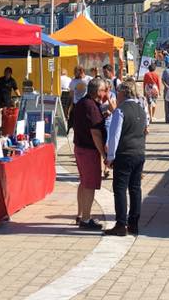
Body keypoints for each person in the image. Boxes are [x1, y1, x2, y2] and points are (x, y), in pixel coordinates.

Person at [103, 79, 148, 236]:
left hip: (125, 153)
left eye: (118, 93)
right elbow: (144, 130)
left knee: (120, 189)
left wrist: (110, 157)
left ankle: (121, 224)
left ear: (122, 93)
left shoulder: (120, 111)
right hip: (139, 152)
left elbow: (114, 136)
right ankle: (134, 223)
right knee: (135, 189)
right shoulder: (141, 109)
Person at [72, 78, 107, 230]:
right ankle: (86, 219)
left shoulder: (82, 102)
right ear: (98, 91)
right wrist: (104, 154)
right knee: (90, 185)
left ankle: (81, 215)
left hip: (79, 147)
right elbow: (95, 133)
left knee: (84, 182)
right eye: (104, 90)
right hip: (88, 150)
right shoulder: (91, 106)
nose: (106, 93)